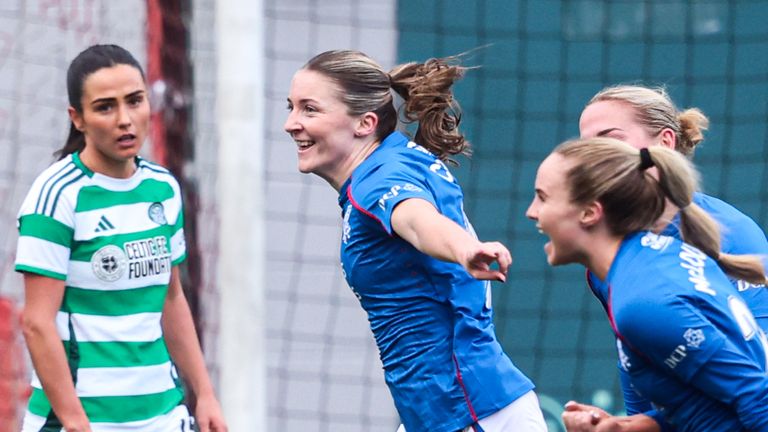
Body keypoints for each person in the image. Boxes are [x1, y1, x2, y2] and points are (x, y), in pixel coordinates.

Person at [284, 49, 547, 432]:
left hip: (468, 409)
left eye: (310, 110)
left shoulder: (378, 180)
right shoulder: (395, 160)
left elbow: (418, 220)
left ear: (365, 122)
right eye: (291, 107)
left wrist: (464, 250)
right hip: (446, 408)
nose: (291, 124)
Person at [15, 44, 227, 432]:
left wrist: (206, 393)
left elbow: (171, 296)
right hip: (84, 419)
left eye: (134, 101)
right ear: (77, 119)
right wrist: (75, 422)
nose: (125, 120)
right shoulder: (57, 195)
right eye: (105, 107)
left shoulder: (162, 188)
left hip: (163, 413)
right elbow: (36, 324)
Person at [526, 137, 768, 432]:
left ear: (590, 212)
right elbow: (706, 404)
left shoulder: (644, 302)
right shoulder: (652, 262)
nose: (532, 211)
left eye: (543, 197)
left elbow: (757, 398)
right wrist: (625, 427)